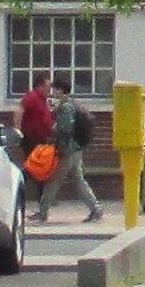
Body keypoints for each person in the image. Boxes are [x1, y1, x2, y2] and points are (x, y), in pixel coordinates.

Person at [54, 88, 104, 223]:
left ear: (59, 90)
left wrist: (55, 128)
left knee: (54, 180)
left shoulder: (66, 106)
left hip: (69, 149)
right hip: (77, 147)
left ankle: (42, 211)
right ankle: (96, 209)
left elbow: (66, 128)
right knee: (78, 180)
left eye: (54, 89)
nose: (52, 92)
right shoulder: (74, 103)